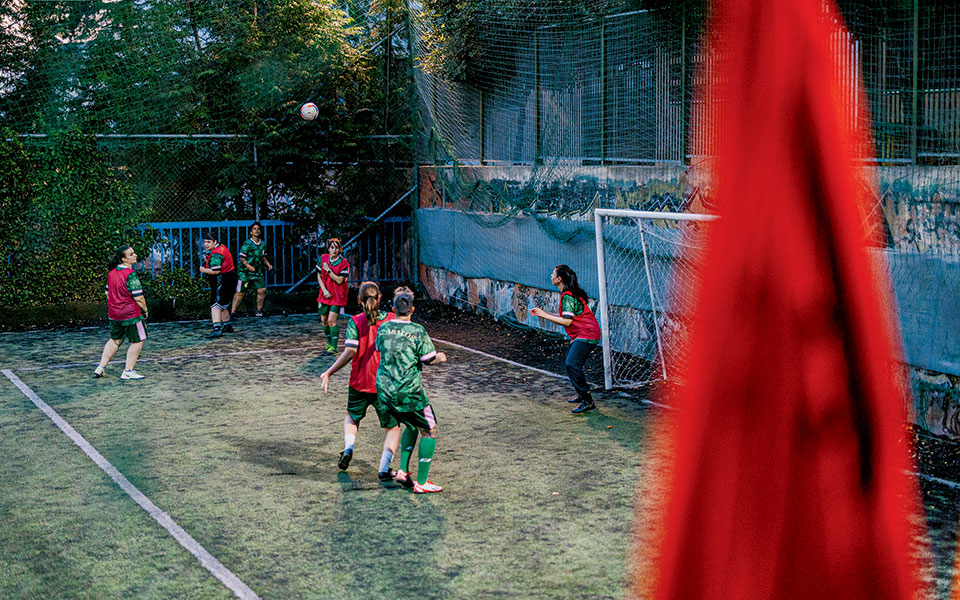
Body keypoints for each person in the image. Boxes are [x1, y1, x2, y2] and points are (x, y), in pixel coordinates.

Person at [320, 282, 401, 481]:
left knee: (352, 417)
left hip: (359, 381)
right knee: (393, 428)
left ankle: (348, 448)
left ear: (359, 300)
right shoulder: (391, 320)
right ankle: (384, 468)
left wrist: (329, 372)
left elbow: (350, 352)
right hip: (385, 384)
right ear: (380, 298)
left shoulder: (355, 322)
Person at [376, 287, 448, 494]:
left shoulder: (383, 328)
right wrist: (441, 357)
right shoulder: (417, 330)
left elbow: (378, 349)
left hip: (384, 390)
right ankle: (422, 482)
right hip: (409, 391)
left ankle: (402, 471)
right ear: (412, 309)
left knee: (410, 424)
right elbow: (429, 359)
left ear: (393, 308)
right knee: (430, 429)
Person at [530, 264, 602, 413]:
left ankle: (587, 401)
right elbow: (567, 317)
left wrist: (543, 315)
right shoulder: (569, 294)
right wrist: (543, 313)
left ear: (559, 279)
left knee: (571, 363)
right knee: (572, 364)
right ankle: (583, 395)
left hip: (587, 334)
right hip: (585, 333)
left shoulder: (568, 295)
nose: (551, 276)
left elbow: (567, 321)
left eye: (553, 274)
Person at [94, 245, 149, 380]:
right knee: (138, 340)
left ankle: (101, 367)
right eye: (131, 254)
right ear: (124, 259)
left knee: (115, 340)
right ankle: (128, 371)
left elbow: (107, 293)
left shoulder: (111, 273)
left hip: (114, 313)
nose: (135, 255)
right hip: (131, 314)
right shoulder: (131, 275)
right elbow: (139, 297)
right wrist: (145, 310)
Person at [199, 231, 238, 338]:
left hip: (222, 280)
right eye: (205, 242)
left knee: (215, 304)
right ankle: (227, 325)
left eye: (208, 242)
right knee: (223, 304)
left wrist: (203, 270)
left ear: (215, 242)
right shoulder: (221, 247)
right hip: (230, 278)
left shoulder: (217, 253)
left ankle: (217, 329)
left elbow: (216, 271)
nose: (206, 244)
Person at [231, 221, 274, 317]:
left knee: (262, 290)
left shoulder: (262, 243)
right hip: (245, 272)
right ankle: (232, 312)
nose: (256, 231)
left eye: (258, 229)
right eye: (254, 229)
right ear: (251, 232)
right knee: (240, 292)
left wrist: (268, 264)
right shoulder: (247, 243)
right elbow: (241, 257)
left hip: (257, 271)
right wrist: (247, 265)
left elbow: (263, 256)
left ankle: (258, 311)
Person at [316, 237, 350, 354]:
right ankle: (329, 344)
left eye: (336, 248)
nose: (334, 250)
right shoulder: (323, 259)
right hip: (325, 294)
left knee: (331, 320)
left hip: (337, 295)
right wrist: (324, 290)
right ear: (328, 249)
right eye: (332, 248)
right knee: (324, 320)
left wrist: (329, 270)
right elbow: (319, 275)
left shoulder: (343, 262)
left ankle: (334, 347)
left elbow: (340, 280)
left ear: (339, 249)